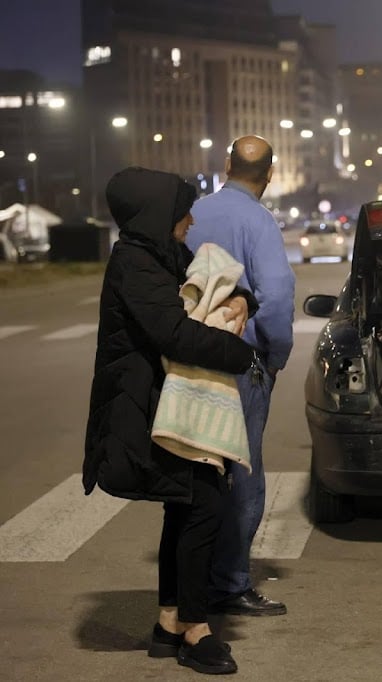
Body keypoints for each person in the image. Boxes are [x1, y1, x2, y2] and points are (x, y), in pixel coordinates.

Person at [84, 167, 255, 675]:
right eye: (183, 211)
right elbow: (174, 334)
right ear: (158, 214)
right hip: (145, 406)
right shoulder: (135, 263)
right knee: (203, 508)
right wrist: (242, 355)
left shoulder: (159, 253)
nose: (190, 220)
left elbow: (212, 285)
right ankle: (195, 630)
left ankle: (169, 625)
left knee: (185, 507)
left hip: (167, 403)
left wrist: (243, 299)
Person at [186, 135, 295, 617]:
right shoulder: (259, 221)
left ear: (226, 165)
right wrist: (275, 356)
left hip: (188, 357)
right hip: (240, 361)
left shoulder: (191, 213)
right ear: (270, 174)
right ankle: (229, 583)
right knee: (243, 472)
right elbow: (276, 297)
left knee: (198, 469)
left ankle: (192, 579)